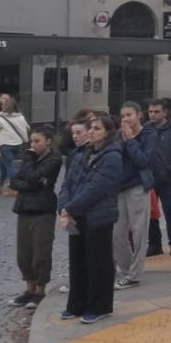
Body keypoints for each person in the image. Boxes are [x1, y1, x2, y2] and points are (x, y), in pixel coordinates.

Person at [58, 112, 124, 324]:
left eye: (97, 129)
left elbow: (96, 188)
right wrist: (64, 208)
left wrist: (70, 209)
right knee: (77, 262)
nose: (92, 132)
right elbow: (67, 184)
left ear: (107, 133)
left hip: (98, 216)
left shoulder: (113, 156)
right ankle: (76, 304)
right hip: (77, 215)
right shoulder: (81, 155)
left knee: (98, 263)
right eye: (91, 128)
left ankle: (99, 306)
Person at [8, 126, 61, 309]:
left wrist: (29, 178)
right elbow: (15, 181)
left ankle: (40, 290)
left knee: (41, 252)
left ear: (48, 141)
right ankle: (29, 289)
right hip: (24, 209)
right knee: (24, 253)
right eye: (31, 141)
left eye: (37, 141)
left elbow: (34, 178)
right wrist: (29, 182)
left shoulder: (53, 160)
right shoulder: (29, 158)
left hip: (43, 210)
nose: (33, 145)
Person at [113, 101, 156, 291]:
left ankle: (135, 275)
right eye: (122, 116)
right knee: (117, 233)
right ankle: (123, 270)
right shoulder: (118, 136)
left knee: (139, 232)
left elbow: (144, 161)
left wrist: (130, 140)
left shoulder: (149, 135)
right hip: (119, 187)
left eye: (129, 115)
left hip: (138, 186)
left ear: (139, 115)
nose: (125, 119)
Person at [144, 98, 171, 258]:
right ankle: (154, 244)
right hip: (149, 178)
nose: (153, 115)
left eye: (157, 112)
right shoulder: (146, 129)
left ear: (165, 112)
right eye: (150, 112)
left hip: (167, 178)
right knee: (150, 212)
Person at [0, 94, 31, 196]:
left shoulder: (1, 117)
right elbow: (27, 128)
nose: (4, 104)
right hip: (16, 144)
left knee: (8, 165)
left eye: (5, 102)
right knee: (4, 165)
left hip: (4, 144)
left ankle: (13, 188)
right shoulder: (20, 116)